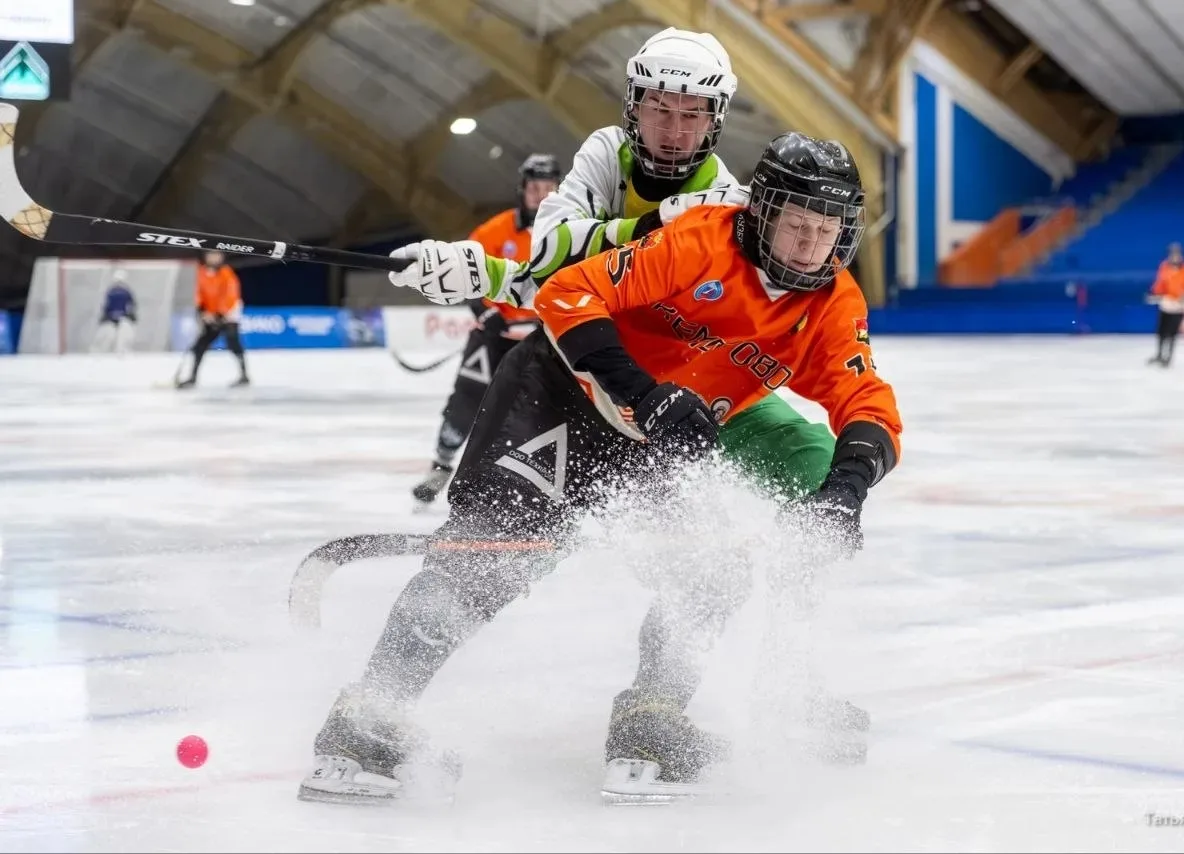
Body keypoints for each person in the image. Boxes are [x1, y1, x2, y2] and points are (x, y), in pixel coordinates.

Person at [297, 132, 903, 805]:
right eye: (796, 224)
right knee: (481, 565)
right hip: (558, 397)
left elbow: (866, 400)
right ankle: (367, 722)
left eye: (826, 229)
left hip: (662, 438)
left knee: (711, 574)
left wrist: (843, 495)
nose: (810, 246)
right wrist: (643, 393)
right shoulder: (702, 239)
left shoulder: (832, 303)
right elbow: (567, 293)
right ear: (762, 211)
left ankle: (652, 721)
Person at [394, 27, 837, 502]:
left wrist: (494, 276)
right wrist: (648, 226)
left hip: (674, 398)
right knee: (495, 537)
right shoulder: (609, 152)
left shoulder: (729, 205)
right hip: (582, 376)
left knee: (812, 464)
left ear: (715, 120)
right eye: (660, 109)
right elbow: (552, 260)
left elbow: (577, 282)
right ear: (634, 106)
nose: (674, 131)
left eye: (692, 114)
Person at [411, 154, 562, 507]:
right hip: (494, 336)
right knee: (465, 400)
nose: (540, 196)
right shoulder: (494, 232)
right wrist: (488, 313)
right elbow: (465, 274)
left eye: (548, 188)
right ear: (522, 190)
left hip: (542, 340)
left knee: (536, 411)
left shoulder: (570, 232)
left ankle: (521, 482)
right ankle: (441, 465)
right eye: (534, 188)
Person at [177, 251, 249, 388]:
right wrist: (203, 312)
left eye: (217, 255)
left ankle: (244, 375)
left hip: (229, 314)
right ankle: (192, 377)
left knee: (233, 342)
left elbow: (230, 295)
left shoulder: (227, 273)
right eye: (211, 255)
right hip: (211, 314)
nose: (214, 258)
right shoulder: (202, 272)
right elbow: (199, 294)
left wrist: (220, 314)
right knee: (200, 345)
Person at [1147, 242, 1184, 367]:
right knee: (1161, 330)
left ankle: (1168, 357)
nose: (1175, 257)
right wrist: (1154, 293)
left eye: (1177, 254)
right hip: (1167, 302)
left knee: (1172, 332)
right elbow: (1160, 284)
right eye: (1172, 254)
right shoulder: (1164, 267)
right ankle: (1159, 354)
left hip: (1179, 305)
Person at [91, 269, 137, 353]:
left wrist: (105, 315)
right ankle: (119, 350)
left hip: (112, 317)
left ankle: (103, 350)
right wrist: (132, 315)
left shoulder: (111, 291)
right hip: (120, 317)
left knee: (111, 336)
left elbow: (106, 305)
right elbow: (131, 304)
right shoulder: (125, 291)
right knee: (120, 336)